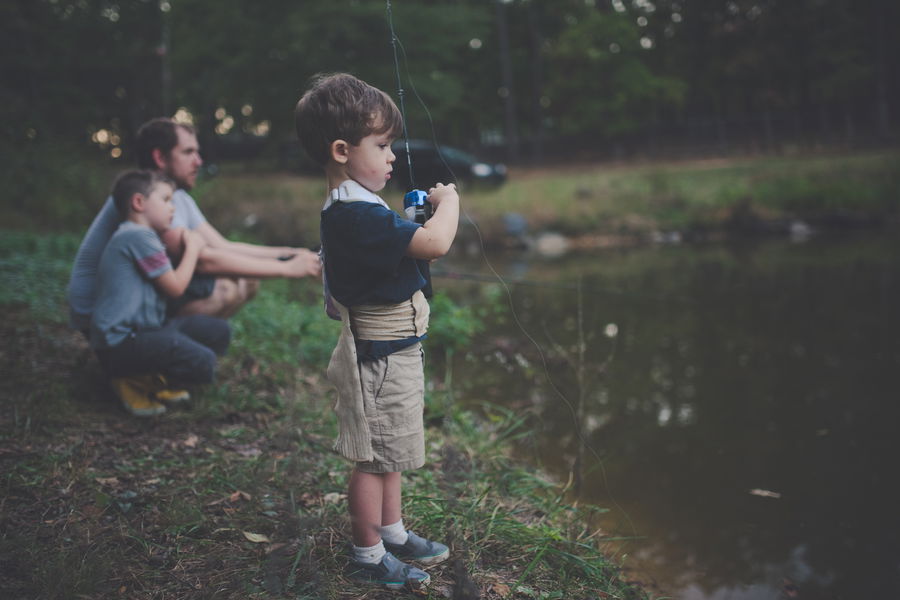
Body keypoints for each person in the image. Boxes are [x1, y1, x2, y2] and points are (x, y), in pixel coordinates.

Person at [294, 73, 460, 590]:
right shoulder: (353, 214)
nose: (392, 156)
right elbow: (433, 244)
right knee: (373, 459)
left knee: (391, 451)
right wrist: (448, 203)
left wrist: (411, 218)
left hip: (396, 351)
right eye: (383, 145)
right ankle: (367, 555)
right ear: (342, 150)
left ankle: (391, 530)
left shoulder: (359, 207)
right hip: (381, 358)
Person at [67, 117, 321, 333]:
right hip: (100, 314)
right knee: (226, 287)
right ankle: (154, 362)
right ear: (159, 157)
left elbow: (223, 246)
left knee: (246, 280)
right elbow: (204, 260)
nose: (198, 161)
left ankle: (177, 355)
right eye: (188, 152)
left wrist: (290, 253)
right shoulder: (148, 203)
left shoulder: (175, 197)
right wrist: (288, 270)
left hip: (134, 299)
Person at [90, 170, 231, 416]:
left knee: (219, 331)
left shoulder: (142, 236)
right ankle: (129, 380)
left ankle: (147, 376)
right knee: (203, 362)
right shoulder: (137, 236)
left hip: (145, 333)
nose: (173, 208)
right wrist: (194, 248)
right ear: (138, 203)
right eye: (166, 200)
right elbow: (176, 288)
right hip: (120, 344)